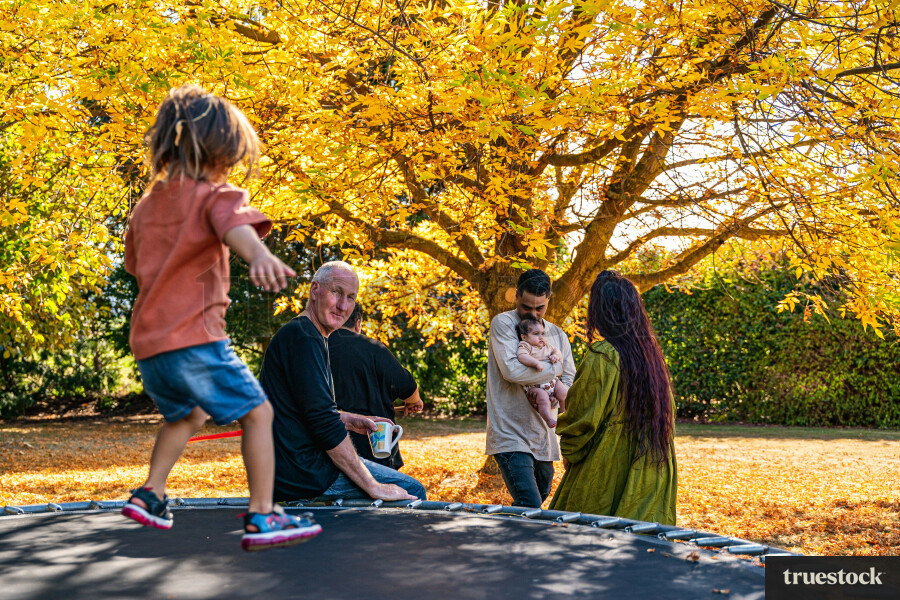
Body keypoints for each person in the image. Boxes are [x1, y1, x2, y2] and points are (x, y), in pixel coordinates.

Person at [121, 84, 320, 551]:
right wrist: (259, 256)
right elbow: (235, 228)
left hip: (150, 346)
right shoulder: (216, 195)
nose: (231, 167)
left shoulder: (146, 206)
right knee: (259, 412)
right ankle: (263, 515)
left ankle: (150, 494)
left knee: (188, 415)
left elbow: (134, 264)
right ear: (215, 153)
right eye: (230, 158)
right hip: (196, 338)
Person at [259, 261, 427, 503]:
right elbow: (323, 424)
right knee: (413, 490)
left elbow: (307, 411)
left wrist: (351, 420)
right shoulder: (304, 338)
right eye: (336, 292)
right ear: (314, 290)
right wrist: (373, 486)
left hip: (296, 468)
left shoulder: (309, 336)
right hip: (303, 473)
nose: (343, 305)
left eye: (351, 297)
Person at [549, 270, 677, 524]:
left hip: (607, 471)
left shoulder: (604, 356)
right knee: (643, 550)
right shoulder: (651, 356)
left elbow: (582, 419)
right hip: (654, 468)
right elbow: (667, 412)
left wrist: (570, 451)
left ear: (600, 311)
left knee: (587, 545)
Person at [485, 269, 576, 508]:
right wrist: (554, 372)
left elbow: (569, 378)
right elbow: (512, 371)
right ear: (516, 296)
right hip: (509, 431)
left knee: (539, 496)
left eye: (540, 308)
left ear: (548, 300)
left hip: (544, 435)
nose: (534, 313)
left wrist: (557, 393)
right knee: (529, 503)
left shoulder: (557, 334)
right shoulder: (504, 324)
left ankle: (507, 537)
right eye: (527, 307)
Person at [329, 304, 423, 470]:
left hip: (326, 457)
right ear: (358, 323)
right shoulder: (374, 349)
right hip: (374, 455)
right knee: (414, 490)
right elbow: (408, 388)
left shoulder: (313, 349)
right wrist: (413, 401)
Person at [515, 315, 569, 428]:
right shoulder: (525, 345)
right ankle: (549, 419)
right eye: (536, 334)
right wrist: (535, 363)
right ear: (524, 337)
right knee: (543, 400)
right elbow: (522, 356)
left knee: (564, 393)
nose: (541, 337)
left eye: (543, 333)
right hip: (536, 386)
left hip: (552, 382)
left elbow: (557, 352)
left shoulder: (547, 346)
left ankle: (565, 414)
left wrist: (555, 356)